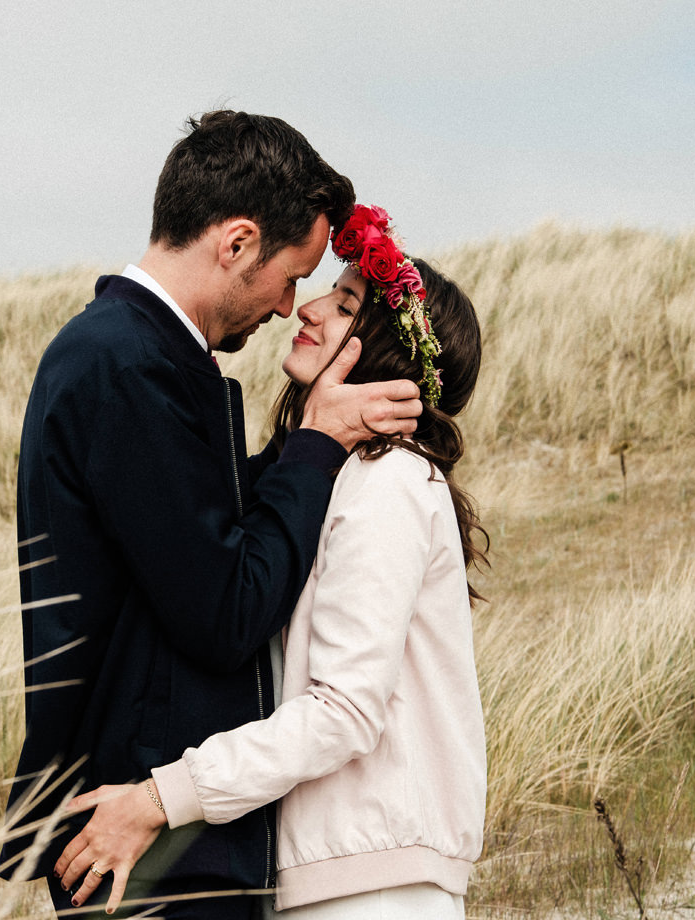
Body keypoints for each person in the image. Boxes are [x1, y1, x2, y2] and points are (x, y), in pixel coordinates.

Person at [0, 114, 424, 919]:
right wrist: (318, 444)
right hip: (147, 849)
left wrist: (305, 444)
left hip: (159, 838)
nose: (289, 306)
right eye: (293, 274)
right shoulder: (129, 367)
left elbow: (196, 534)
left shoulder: (137, 356)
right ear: (235, 243)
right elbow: (226, 607)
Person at [54, 204, 489, 920]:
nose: (309, 308)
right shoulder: (334, 476)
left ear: (383, 352)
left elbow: (344, 710)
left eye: (345, 302)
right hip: (337, 869)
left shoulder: (390, 483)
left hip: (372, 882)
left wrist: (161, 798)